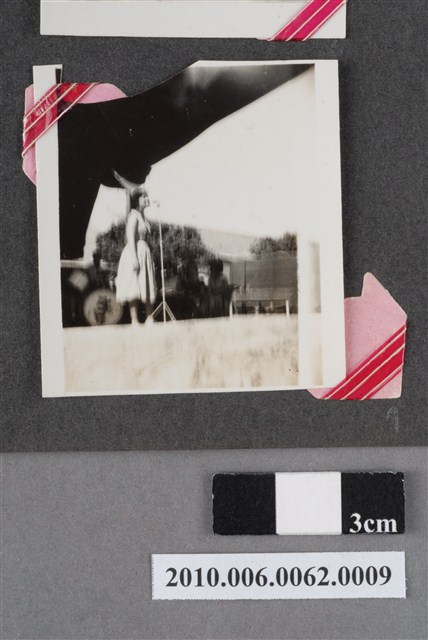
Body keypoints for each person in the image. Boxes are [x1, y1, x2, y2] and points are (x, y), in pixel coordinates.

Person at [115, 187, 156, 325]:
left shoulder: (143, 217)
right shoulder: (133, 216)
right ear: (137, 200)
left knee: (147, 283)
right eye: (143, 196)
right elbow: (131, 238)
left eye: (147, 196)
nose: (147, 199)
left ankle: (149, 318)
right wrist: (134, 258)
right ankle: (134, 320)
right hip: (135, 252)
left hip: (144, 252)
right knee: (134, 284)